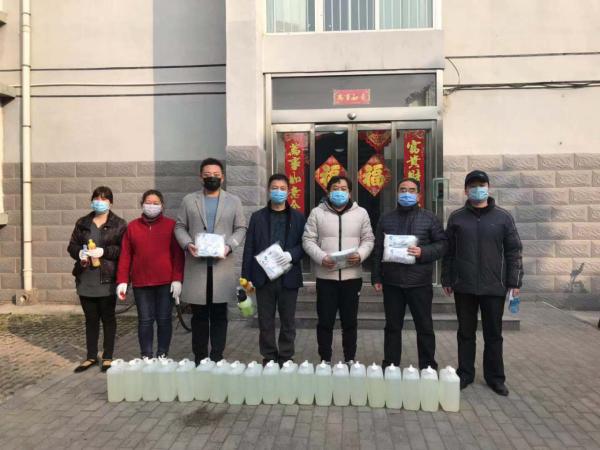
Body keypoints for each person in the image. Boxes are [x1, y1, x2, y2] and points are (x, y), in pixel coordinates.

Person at [442, 170, 523, 396]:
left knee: (493, 335)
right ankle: (465, 373)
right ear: (465, 190)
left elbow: (514, 251)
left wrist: (514, 281)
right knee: (465, 333)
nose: (477, 189)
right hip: (464, 285)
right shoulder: (457, 217)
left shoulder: (503, 217)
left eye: (481, 185)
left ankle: (495, 377)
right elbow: (449, 252)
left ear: (488, 188)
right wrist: (447, 278)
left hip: (493, 286)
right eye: (473, 186)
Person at [174, 158, 247, 364]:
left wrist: (229, 246)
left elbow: (241, 228)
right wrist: (188, 244)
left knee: (219, 316)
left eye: (216, 175)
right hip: (196, 266)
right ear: (201, 177)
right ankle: (200, 357)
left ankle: (217, 357)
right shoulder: (189, 200)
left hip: (221, 267)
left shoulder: (234, 201)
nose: (211, 178)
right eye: (207, 175)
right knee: (198, 316)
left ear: (222, 177)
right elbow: (180, 227)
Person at [372, 178, 447, 370]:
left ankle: (428, 366)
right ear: (397, 193)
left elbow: (442, 244)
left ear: (419, 195)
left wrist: (423, 252)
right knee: (392, 327)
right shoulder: (386, 218)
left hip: (419, 282)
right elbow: (378, 249)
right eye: (403, 190)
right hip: (392, 282)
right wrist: (376, 277)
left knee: (424, 327)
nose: (407, 194)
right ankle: (390, 364)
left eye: (411, 190)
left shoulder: (429, 218)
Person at [303, 175, 374, 364]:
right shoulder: (317, 213)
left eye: (343, 189)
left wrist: (360, 254)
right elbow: (308, 240)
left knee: (350, 322)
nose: (339, 192)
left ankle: (350, 359)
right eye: (335, 188)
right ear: (328, 192)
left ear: (350, 192)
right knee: (325, 321)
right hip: (326, 277)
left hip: (352, 277)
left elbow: (368, 239)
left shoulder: (361, 213)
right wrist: (321, 257)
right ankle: (325, 359)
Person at [241, 174, 306, 366]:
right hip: (263, 278)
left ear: (288, 191)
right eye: (275, 188)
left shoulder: (298, 217)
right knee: (265, 321)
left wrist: (291, 255)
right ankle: (268, 356)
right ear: (268, 190)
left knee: (288, 321)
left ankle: (286, 356)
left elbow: (305, 244)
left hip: (288, 278)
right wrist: (246, 277)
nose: (278, 191)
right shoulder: (257, 217)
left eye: (282, 188)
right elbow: (249, 247)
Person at [116, 190, 185, 358]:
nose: (151, 206)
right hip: (141, 283)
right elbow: (125, 255)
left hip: (165, 283)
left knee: (164, 320)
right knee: (145, 321)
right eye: (148, 202)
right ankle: (146, 355)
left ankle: (162, 354)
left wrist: (177, 279)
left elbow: (178, 255)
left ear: (162, 205)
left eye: (156, 203)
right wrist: (122, 280)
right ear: (142, 204)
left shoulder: (171, 226)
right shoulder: (132, 227)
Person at [67, 186, 127, 372]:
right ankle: (91, 356)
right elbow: (72, 246)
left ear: (111, 203)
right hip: (86, 278)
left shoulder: (119, 224)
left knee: (108, 318)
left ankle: (107, 356)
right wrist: (80, 252)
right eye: (96, 199)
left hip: (107, 279)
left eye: (104, 199)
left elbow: (123, 250)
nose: (99, 202)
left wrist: (104, 251)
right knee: (90, 319)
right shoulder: (83, 223)